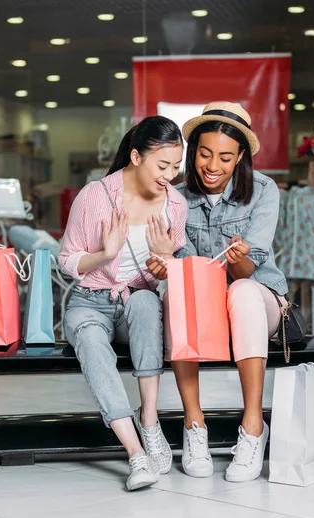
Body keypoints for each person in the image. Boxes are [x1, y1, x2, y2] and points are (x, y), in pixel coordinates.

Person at [147, 102, 288, 483]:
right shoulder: (174, 198)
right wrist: (165, 264)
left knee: (241, 289)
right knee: (173, 294)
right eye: (205, 154)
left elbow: (248, 271)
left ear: (240, 156)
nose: (212, 166)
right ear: (193, 153)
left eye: (225, 157)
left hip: (259, 300)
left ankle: (254, 426)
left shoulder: (263, 191)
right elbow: (186, 272)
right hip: (204, 303)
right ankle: (194, 425)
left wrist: (241, 259)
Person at [59, 116, 187, 491]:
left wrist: (168, 262)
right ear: (135, 156)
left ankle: (149, 420)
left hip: (136, 301)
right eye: (162, 166)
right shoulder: (95, 196)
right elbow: (67, 260)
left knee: (148, 302)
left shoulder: (175, 205)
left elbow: (169, 278)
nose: (170, 175)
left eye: (176, 167)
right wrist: (105, 254)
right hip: (89, 301)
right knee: (91, 341)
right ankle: (135, 453)